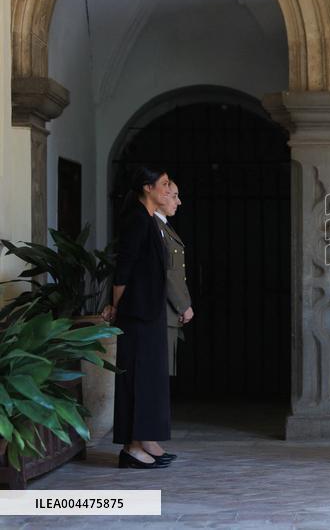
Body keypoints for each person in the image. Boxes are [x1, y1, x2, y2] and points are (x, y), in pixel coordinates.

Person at [102, 167, 175, 469]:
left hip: (148, 310)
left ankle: (146, 440)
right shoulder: (136, 220)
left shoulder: (147, 221)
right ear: (147, 188)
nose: (169, 189)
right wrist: (117, 306)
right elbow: (124, 269)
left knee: (150, 379)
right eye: (164, 184)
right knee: (137, 378)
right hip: (135, 312)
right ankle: (132, 448)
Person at [154, 182, 194, 377]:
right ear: (161, 196)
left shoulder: (163, 225)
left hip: (170, 311)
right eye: (174, 196)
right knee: (160, 373)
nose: (178, 201)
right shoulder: (155, 226)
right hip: (165, 309)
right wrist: (183, 305)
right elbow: (167, 272)